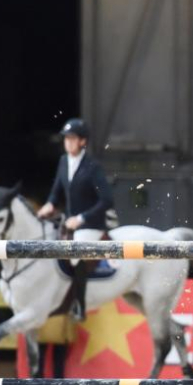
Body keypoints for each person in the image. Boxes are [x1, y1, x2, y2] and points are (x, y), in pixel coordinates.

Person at [38, 118, 114, 321]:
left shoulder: (92, 167)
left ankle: (79, 306)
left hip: (90, 224)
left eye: (72, 139)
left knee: (76, 253)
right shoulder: (64, 162)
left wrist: (81, 218)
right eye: (66, 139)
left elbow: (107, 200)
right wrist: (49, 206)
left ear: (83, 141)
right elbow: (57, 192)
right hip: (69, 223)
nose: (68, 142)